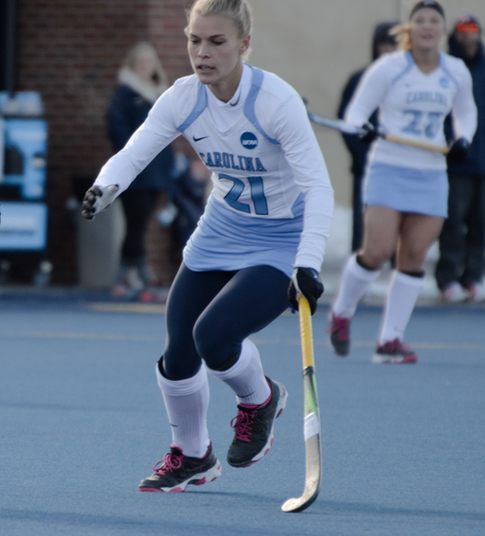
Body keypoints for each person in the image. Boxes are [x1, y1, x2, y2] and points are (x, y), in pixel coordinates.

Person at [82, 0, 333, 492]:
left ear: (243, 45)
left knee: (213, 338)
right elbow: (135, 151)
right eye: (195, 40)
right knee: (178, 353)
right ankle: (193, 456)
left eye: (217, 42)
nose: (203, 52)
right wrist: (106, 185)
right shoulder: (182, 97)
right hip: (222, 228)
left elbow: (320, 187)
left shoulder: (274, 102)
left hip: (282, 238)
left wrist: (308, 263)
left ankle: (259, 399)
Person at [328, 0, 477, 364]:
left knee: (412, 257)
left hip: (430, 174)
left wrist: (463, 140)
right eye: (420, 21)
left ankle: (390, 340)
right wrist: (362, 129)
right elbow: (355, 114)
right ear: (410, 28)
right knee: (376, 252)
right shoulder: (389, 67)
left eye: (434, 21)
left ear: (443, 30)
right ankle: (342, 312)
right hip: (389, 168)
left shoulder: (455, 70)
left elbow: (466, 113)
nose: (427, 27)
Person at [107, 42, 175, 301]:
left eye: (150, 62)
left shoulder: (160, 96)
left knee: (139, 226)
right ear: (133, 66)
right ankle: (144, 277)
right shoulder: (125, 95)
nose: (146, 67)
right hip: (135, 174)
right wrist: (134, 156)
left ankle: (125, 277)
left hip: (156, 173)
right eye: (141, 63)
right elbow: (117, 130)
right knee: (135, 226)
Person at [434, 13, 485, 303]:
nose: (469, 35)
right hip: (456, 163)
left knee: (480, 224)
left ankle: (474, 277)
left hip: (482, 162)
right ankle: (448, 278)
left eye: (473, 29)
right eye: (463, 30)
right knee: (452, 222)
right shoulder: (447, 69)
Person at [338, 21, 399, 252]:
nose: (389, 50)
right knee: (363, 225)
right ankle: (359, 279)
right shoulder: (360, 79)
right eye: (385, 44)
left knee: (400, 223)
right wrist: (364, 155)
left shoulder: (409, 81)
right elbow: (347, 122)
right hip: (366, 167)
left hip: (400, 166)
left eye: (395, 44)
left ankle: (398, 272)